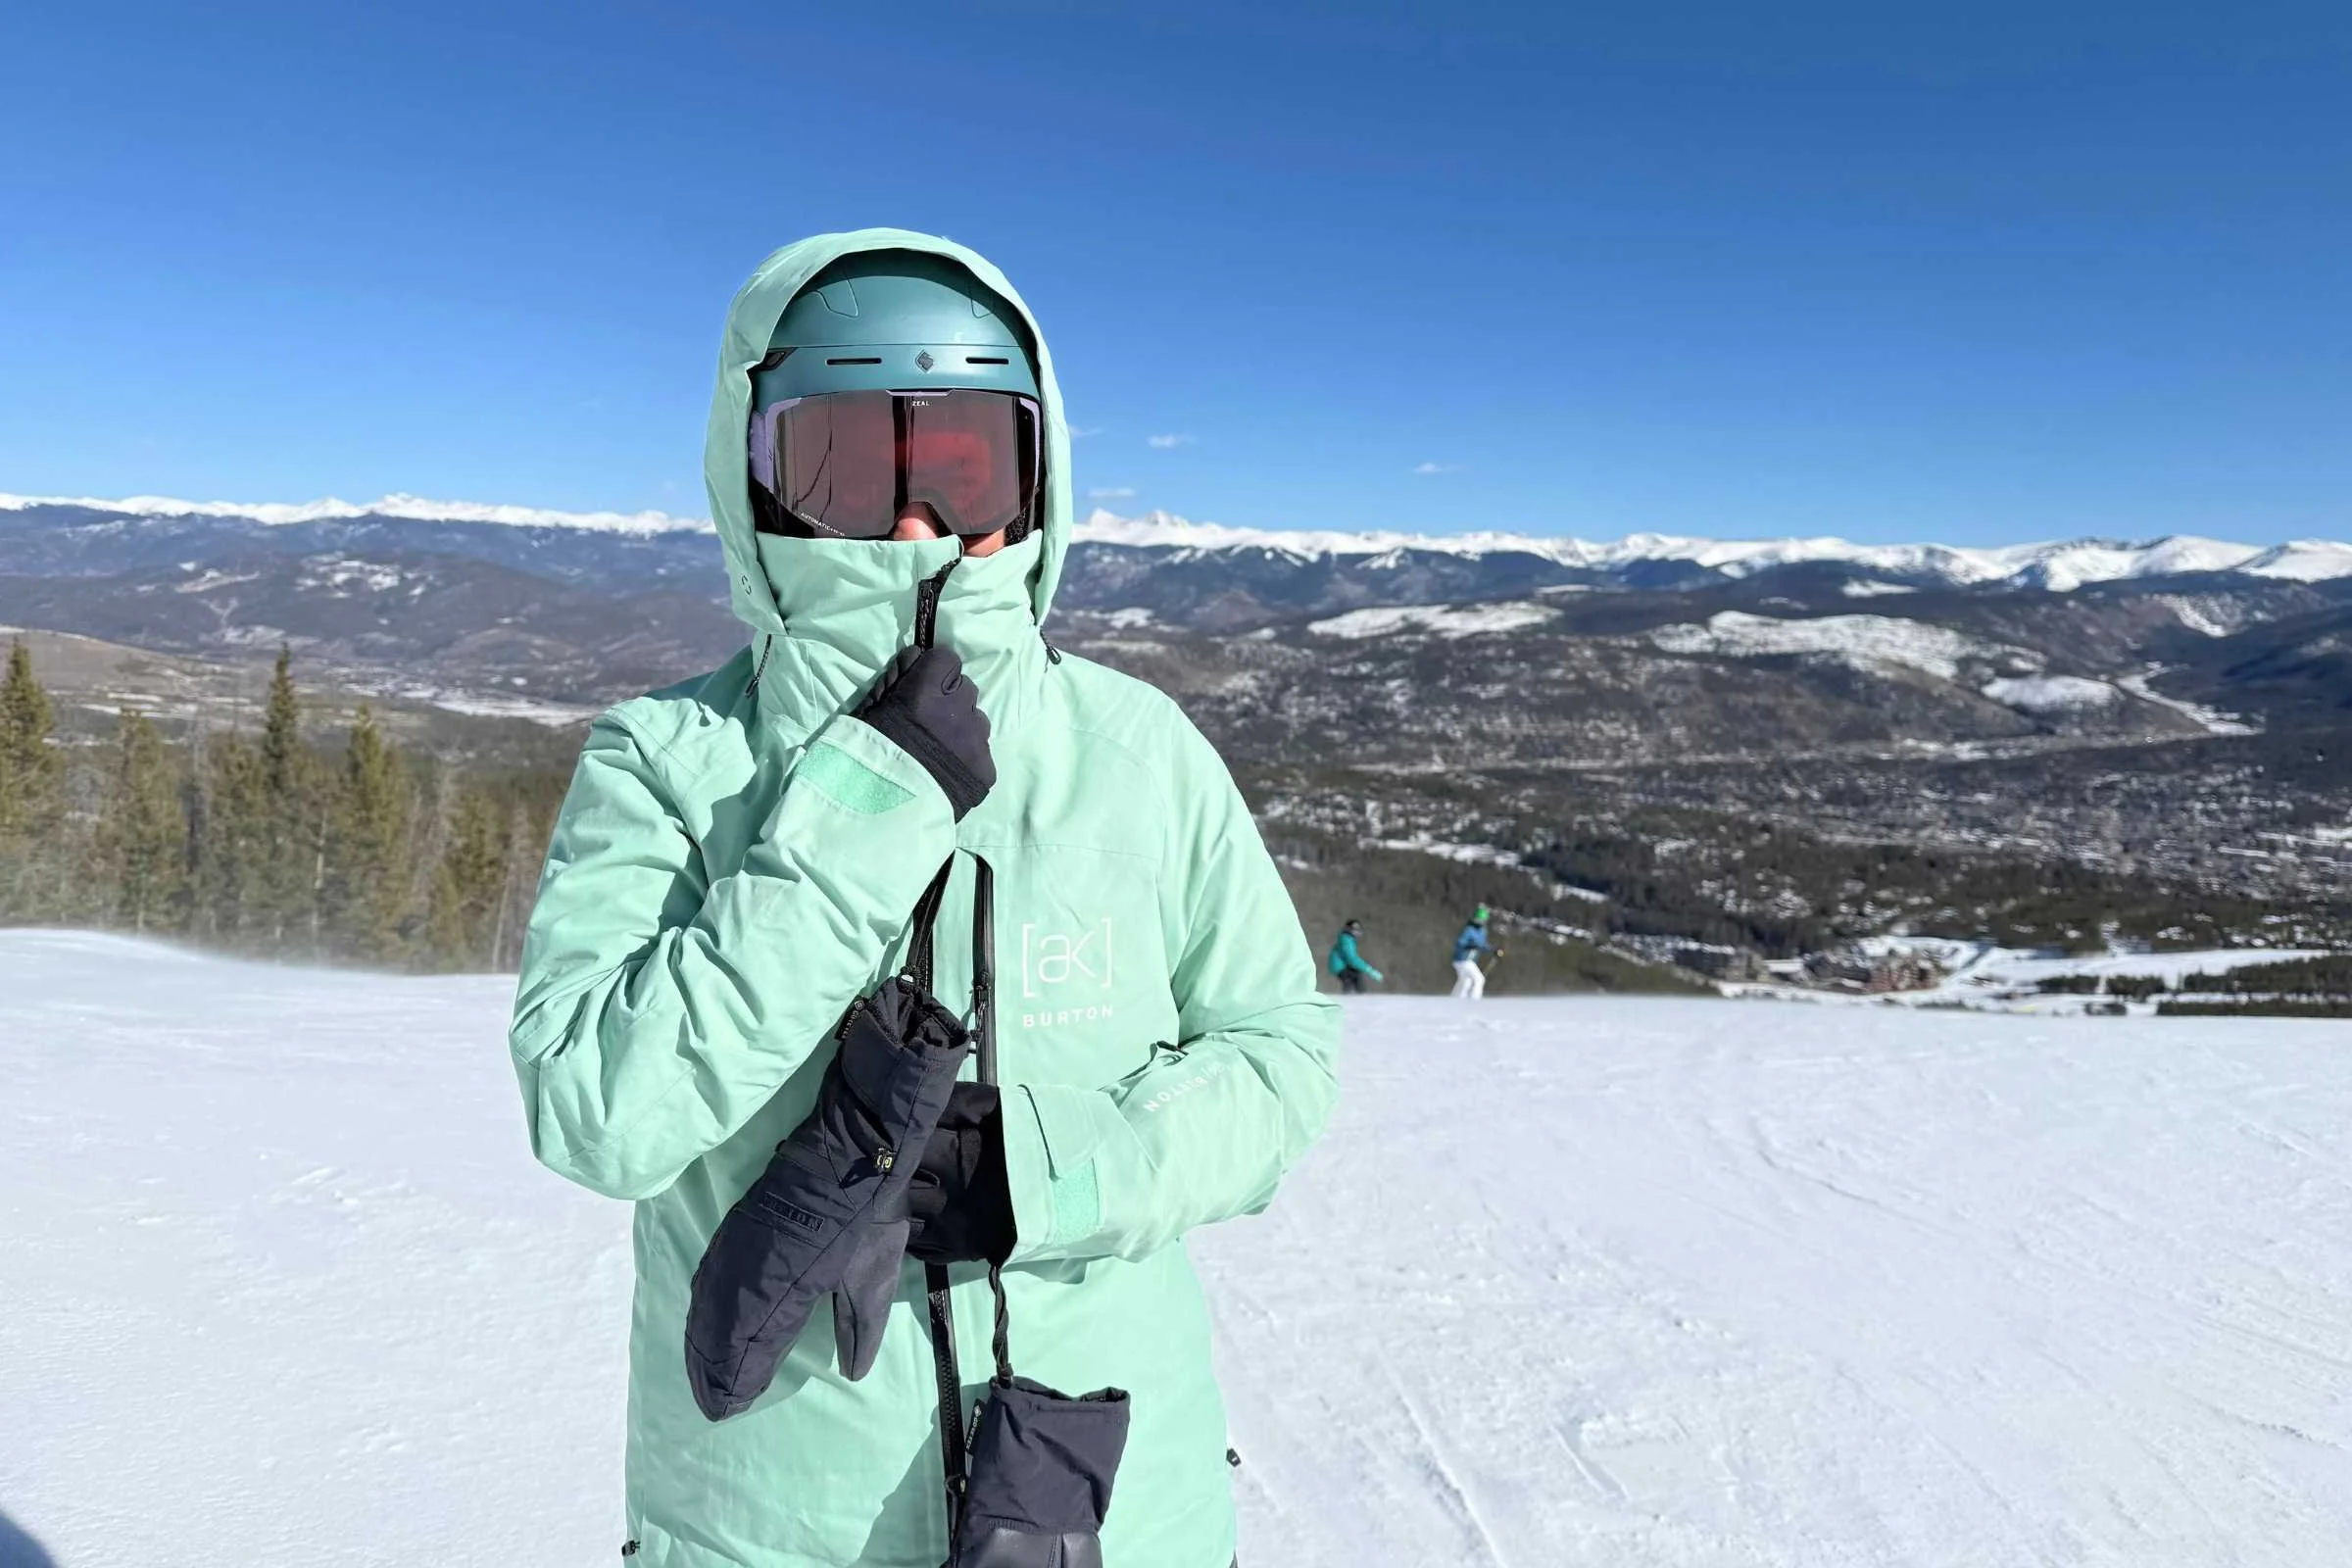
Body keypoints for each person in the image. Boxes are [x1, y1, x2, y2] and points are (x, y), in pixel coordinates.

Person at [507, 231, 1341, 1568]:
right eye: (843, 465)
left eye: (961, 469)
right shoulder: (669, 762)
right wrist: (863, 813)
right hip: (772, 1527)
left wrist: (1049, 1171)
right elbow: (599, 1112)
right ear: (758, 484)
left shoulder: (1136, 754)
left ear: (1036, 483)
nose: (912, 528)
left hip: (1113, 1503)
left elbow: (1282, 1056)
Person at [1326, 917, 1383, 994]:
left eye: (1358, 929)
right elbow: (1352, 959)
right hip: (1339, 966)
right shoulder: (1346, 940)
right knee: (1354, 977)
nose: (1357, 931)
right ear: (1348, 929)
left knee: (1353, 977)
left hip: (1341, 965)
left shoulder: (1348, 939)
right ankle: (1356, 996)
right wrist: (1369, 970)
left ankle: (1354, 995)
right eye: (1354, 929)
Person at [1450, 905, 1494, 1000]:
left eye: (1483, 920)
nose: (1480, 922)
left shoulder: (1482, 931)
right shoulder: (1469, 930)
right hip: (1462, 959)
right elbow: (1460, 943)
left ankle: (1455, 1000)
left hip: (1470, 960)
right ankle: (1475, 1002)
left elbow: (1482, 945)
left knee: (1466, 982)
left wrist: (1494, 950)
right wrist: (1470, 945)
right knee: (1479, 979)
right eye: (1478, 920)